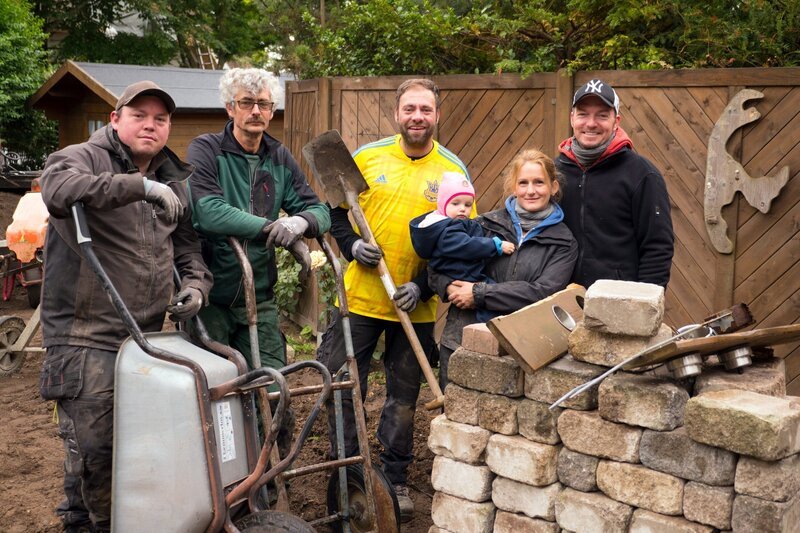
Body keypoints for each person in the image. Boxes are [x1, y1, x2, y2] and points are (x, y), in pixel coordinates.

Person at [37, 81, 213, 533]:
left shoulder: (173, 176)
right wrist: (141, 188)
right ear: (115, 119)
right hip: (84, 338)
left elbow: (188, 246)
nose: (150, 125)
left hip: (147, 337)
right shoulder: (81, 157)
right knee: (96, 450)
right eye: (139, 115)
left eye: (160, 119)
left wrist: (194, 284)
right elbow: (57, 190)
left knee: (137, 448)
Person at [317, 78, 470, 521]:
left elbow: (462, 242)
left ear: (437, 115)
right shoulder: (366, 159)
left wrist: (422, 286)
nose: (417, 117)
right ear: (397, 113)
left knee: (403, 398)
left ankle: (394, 477)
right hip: (360, 300)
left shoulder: (451, 172)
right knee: (344, 386)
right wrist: (350, 247)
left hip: (414, 306)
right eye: (409, 109)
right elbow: (335, 215)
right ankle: (348, 474)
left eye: (425, 109)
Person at [186, 68, 330, 457]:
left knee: (272, 389)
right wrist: (271, 227)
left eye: (263, 104)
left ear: (272, 110)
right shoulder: (206, 150)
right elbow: (207, 211)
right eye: (246, 103)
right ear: (230, 107)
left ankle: (271, 475)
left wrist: (301, 221)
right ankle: (224, 479)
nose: (256, 111)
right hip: (210, 296)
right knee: (215, 395)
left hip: (260, 299)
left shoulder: (278, 156)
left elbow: (319, 208)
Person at [430, 149, 578, 389]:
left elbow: (543, 293)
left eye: (539, 182)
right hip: (462, 338)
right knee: (455, 419)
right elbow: (437, 267)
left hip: (520, 348)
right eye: (523, 183)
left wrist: (478, 294)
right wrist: (448, 286)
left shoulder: (563, 241)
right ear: (513, 187)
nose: (531, 190)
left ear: (553, 187)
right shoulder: (484, 224)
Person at [556, 79, 674, 288]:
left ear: (616, 121)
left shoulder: (642, 175)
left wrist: (645, 304)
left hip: (618, 300)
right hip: (559, 298)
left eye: (602, 115)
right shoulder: (555, 172)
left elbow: (657, 247)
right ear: (572, 118)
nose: (591, 123)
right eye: (583, 114)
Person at [409, 171, 515, 322]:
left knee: (493, 295)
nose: (462, 209)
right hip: (460, 273)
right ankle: (491, 326)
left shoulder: (456, 224)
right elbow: (466, 245)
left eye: (467, 205)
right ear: (442, 204)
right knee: (492, 299)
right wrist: (495, 245)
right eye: (455, 203)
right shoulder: (446, 230)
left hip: (463, 272)